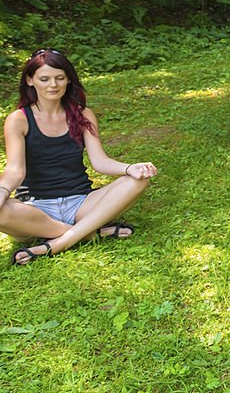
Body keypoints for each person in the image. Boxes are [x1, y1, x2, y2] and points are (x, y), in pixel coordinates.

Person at [1, 49, 158, 265]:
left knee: (138, 180)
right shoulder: (18, 119)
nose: (53, 85)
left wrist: (130, 168)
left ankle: (59, 243)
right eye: (44, 79)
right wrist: (2, 192)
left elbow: (99, 162)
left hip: (81, 203)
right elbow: (15, 171)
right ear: (30, 80)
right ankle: (92, 233)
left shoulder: (83, 114)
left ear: (68, 80)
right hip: (36, 209)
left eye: (59, 78)